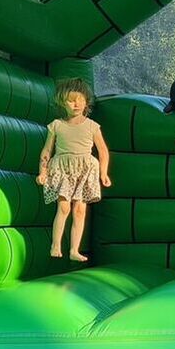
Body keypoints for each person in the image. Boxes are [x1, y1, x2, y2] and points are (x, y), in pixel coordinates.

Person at [38, 79, 111, 261]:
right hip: (63, 168)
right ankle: (56, 245)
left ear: (86, 102)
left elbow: (103, 151)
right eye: (71, 100)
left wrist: (103, 173)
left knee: (79, 210)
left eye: (80, 100)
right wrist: (43, 172)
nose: (76, 104)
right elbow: (46, 151)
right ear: (63, 103)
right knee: (63, 207)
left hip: (84, 169)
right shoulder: (56, 125)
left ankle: (74, 250)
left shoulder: (92, 126)